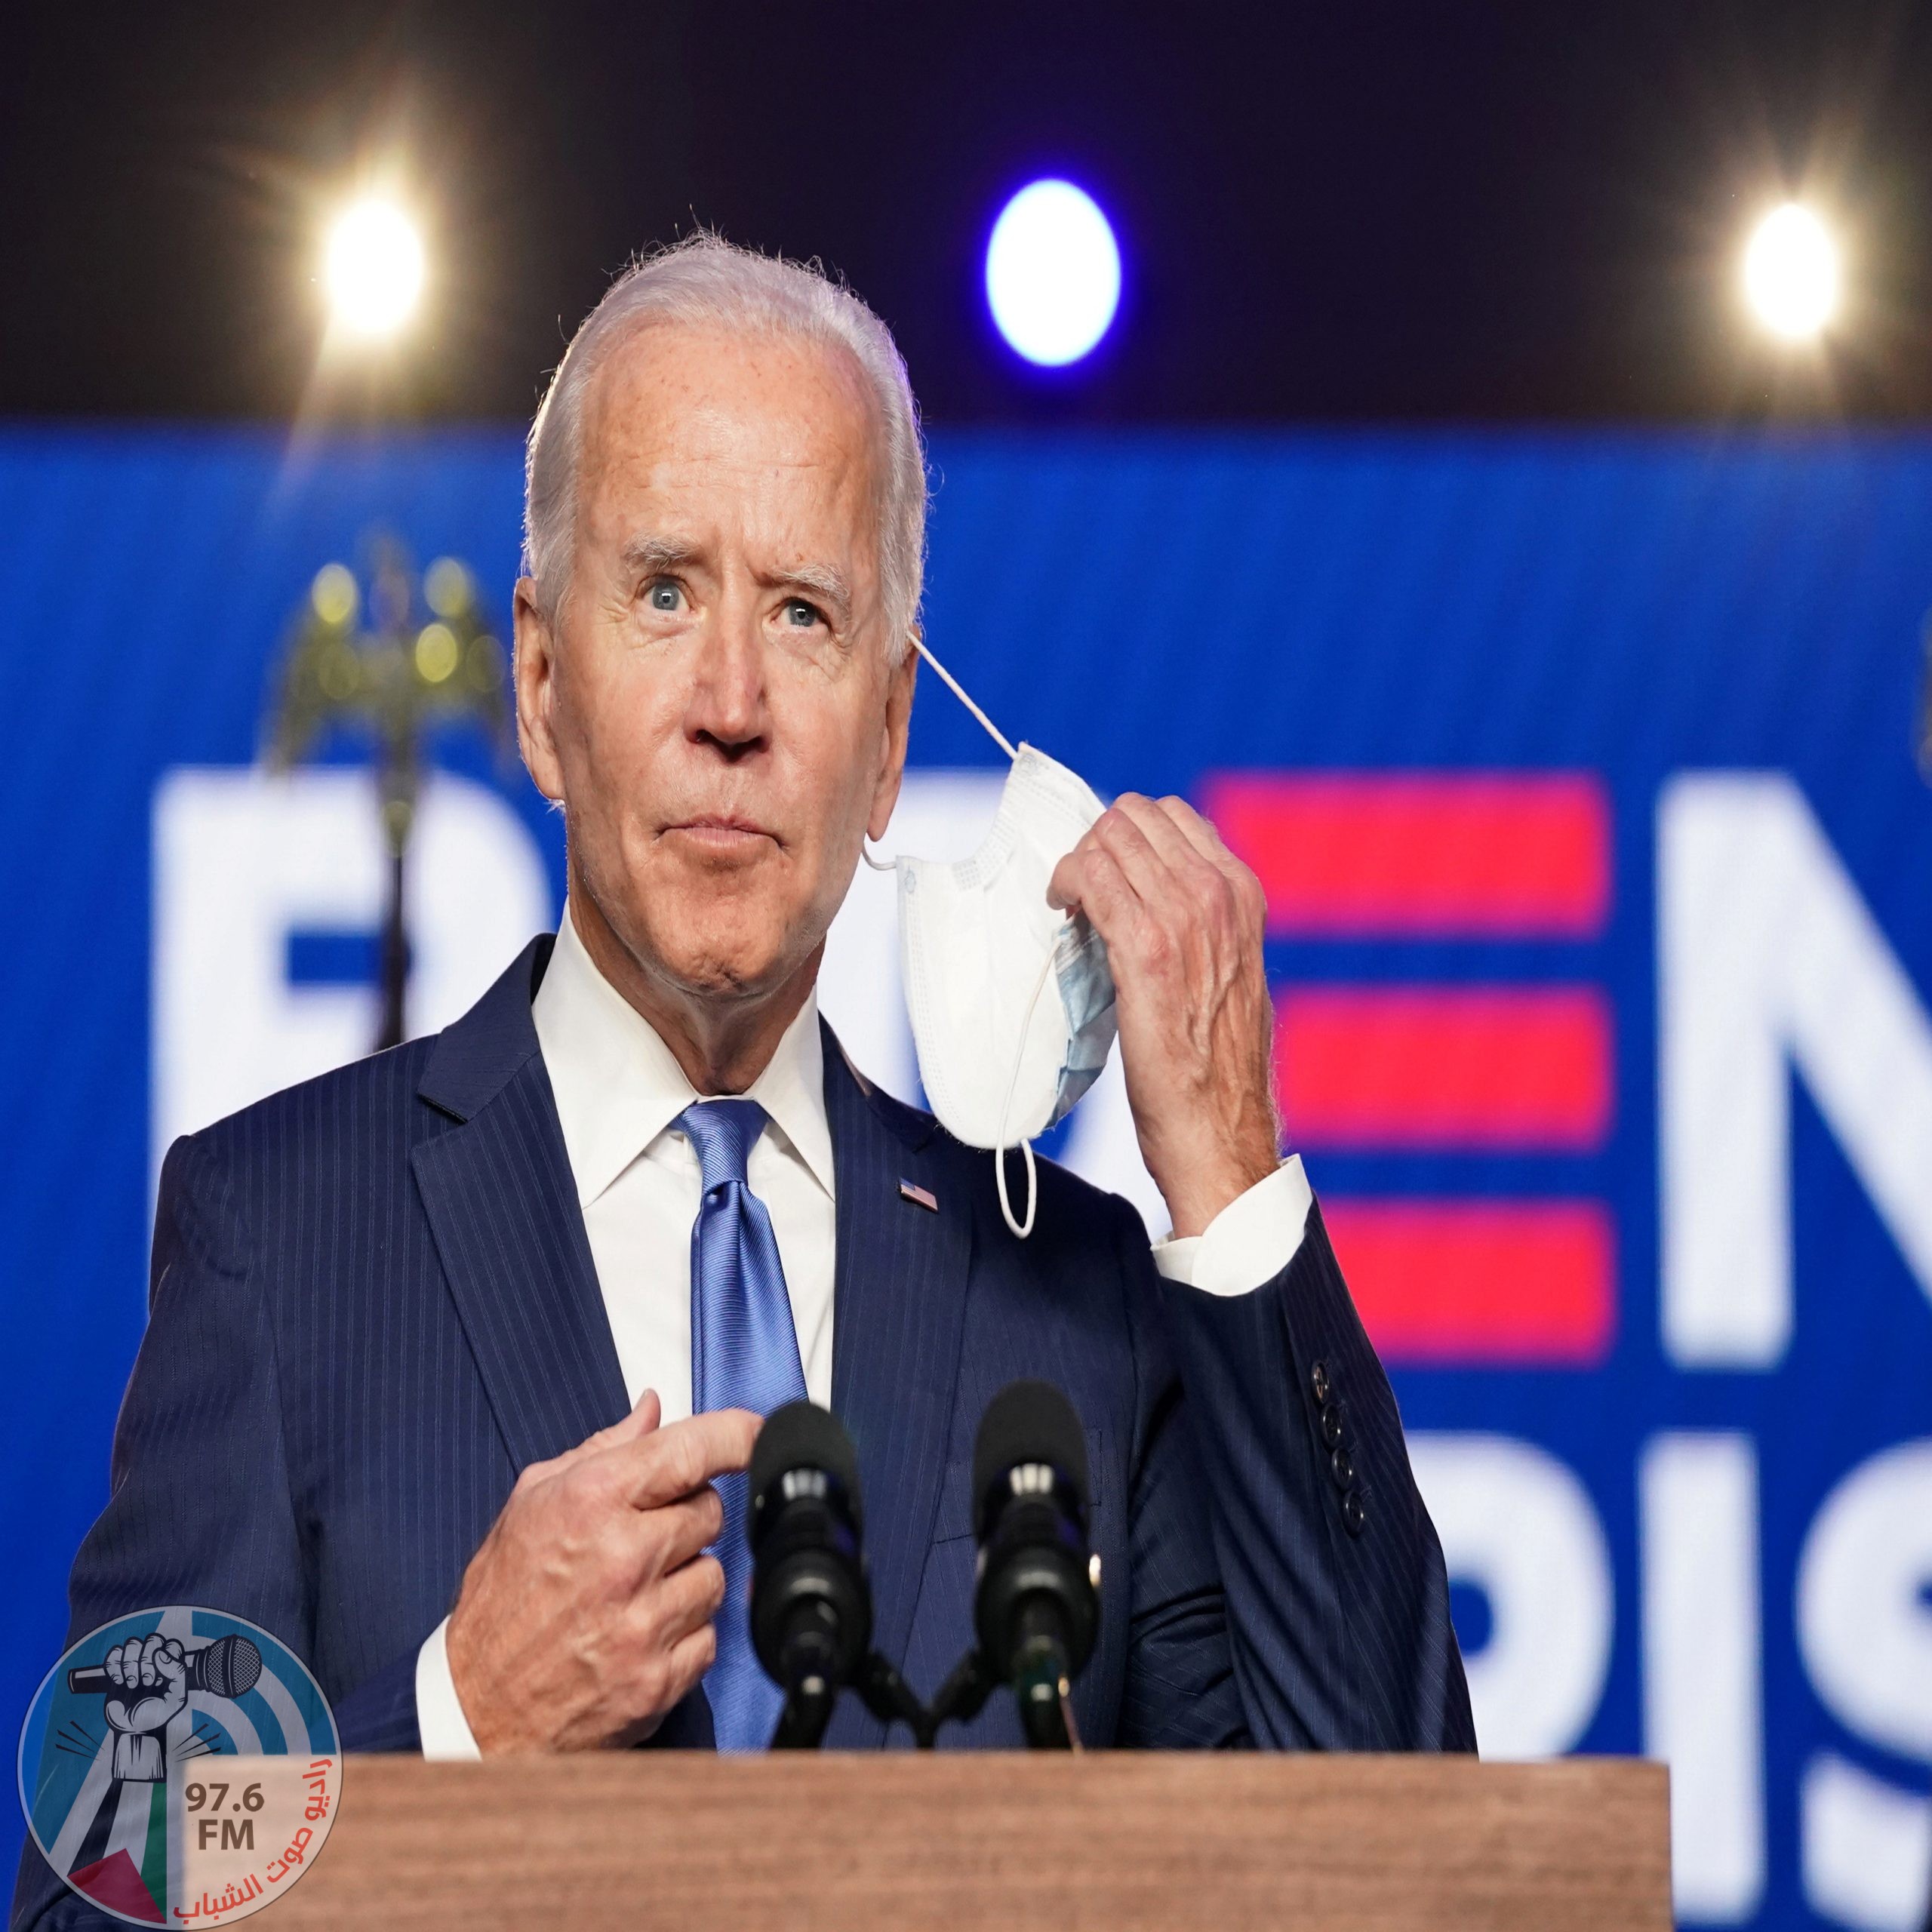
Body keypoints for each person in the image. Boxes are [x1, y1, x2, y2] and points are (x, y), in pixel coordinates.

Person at [16, 232, 1471, 1925]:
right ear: (543, 686)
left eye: (800, 612)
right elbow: (89, 1901)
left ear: (889, 739)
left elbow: (1396, 1864)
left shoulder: (1069, 1304)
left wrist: (1227, 1185)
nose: (730, 702)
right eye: (661, 592)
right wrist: (461, 1722)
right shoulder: (279, 1230)